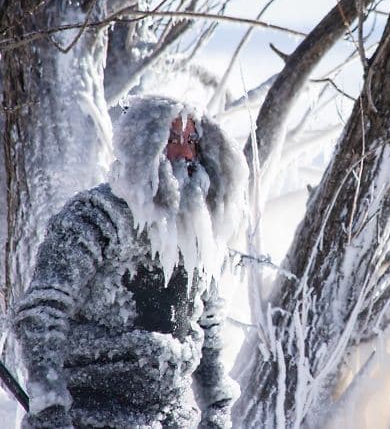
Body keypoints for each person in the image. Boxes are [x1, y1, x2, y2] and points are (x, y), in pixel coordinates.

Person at [13, 96, 247, 428]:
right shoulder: (94, 217)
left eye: (190, 141)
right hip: (89, 414)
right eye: (170, 140)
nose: (183, 153)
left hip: (171, 417)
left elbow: (206, 322)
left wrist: (217, 405)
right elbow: (43, 311)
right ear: (142, 144)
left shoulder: (195, 231)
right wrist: (49, 406)